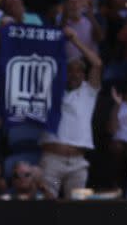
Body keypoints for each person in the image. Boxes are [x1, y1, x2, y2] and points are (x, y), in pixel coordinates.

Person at [39, 28, 102, 199]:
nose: (74, 74)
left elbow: (96, 64)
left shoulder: (88, 92)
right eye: (70, 70)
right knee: (47, 206)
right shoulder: (49, 90)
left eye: (79, 70)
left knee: (76, 210)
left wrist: (75, 40)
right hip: (52, 161)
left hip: (77, 164)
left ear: (83, 74)